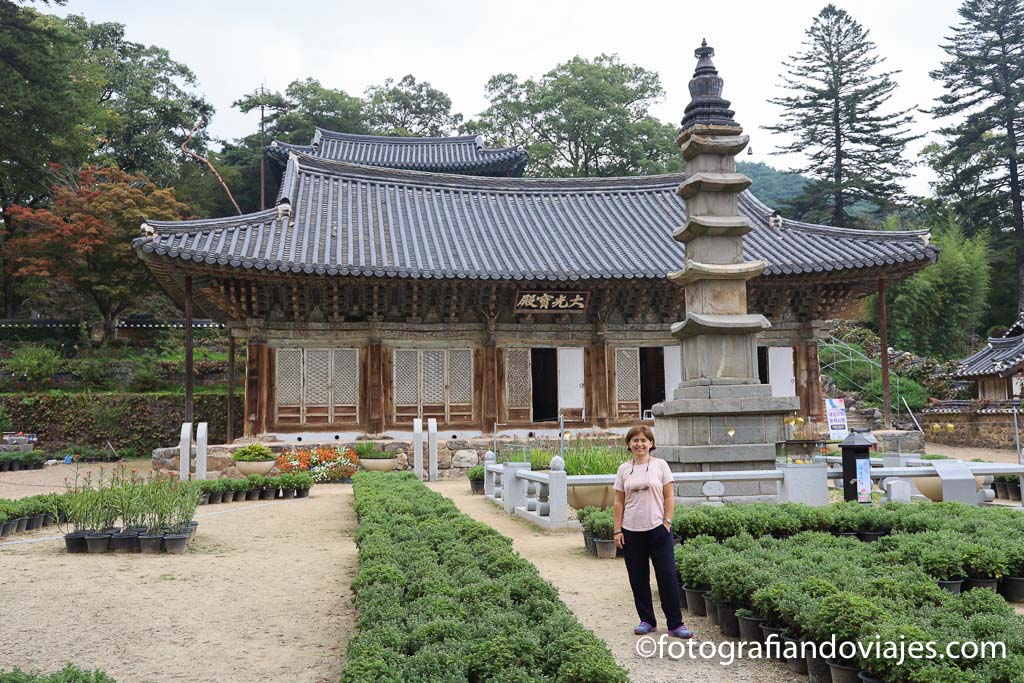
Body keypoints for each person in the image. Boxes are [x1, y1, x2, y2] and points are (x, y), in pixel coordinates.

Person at [613, 425, 693, 638]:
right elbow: (618, 501)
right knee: (638, 577)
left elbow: (669, 497)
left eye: (643, 440)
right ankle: (647, 620)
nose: (639, 444)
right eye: (635, 440)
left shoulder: (661, 465)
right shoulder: (623, 469)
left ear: (651, 444)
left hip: (658, 528)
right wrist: (617, 530)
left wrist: (666, 521)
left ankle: (676, 624)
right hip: (631, 530)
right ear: (629, 444)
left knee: (667, 576)